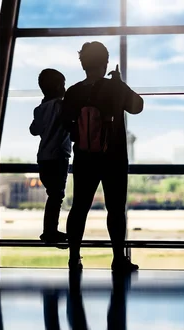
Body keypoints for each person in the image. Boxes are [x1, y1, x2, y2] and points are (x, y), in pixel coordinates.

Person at [62, 41, 144, 273]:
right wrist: (119, 84)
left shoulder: (74, 91)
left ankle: (74, 257)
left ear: (82, 64)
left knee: (79, 207)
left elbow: (66, 122)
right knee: (115, 209)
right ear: (105, 62)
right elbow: (137, 106)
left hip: (85, 157)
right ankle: (118, 258)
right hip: (114, 156)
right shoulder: (114, 87)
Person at [30, 68, 71, 245]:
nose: (64, 87)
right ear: (56, 86)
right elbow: (70, 124)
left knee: (53, 195)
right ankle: (50, 231)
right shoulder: (61, 106)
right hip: (59, 156)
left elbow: (34, 130)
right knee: (57, 195)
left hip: (43, 157)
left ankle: (50, 230)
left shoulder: (40, 109)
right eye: (62, 84)